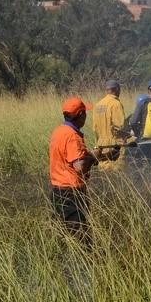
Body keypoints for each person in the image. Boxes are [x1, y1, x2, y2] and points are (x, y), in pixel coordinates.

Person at [49, 97, 118, 240]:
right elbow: (79, 166)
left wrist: (107, 155)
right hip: (72, 193)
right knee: (80, 238)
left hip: (58, 191)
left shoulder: (59, 131)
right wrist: (93, 158)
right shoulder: (73, 137)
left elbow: (75, 159)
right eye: (85, 113)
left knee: (62, 235)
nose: (86, 116)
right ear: (80, 115)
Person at [91, 79, 134, 170]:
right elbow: (121, 126)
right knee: (117, 172)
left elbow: (95, 128)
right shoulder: (116, 104)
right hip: (114, 148)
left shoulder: (98, 105)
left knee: (104, 173)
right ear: (117, 89)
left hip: (101, 146)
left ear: (107, 90)